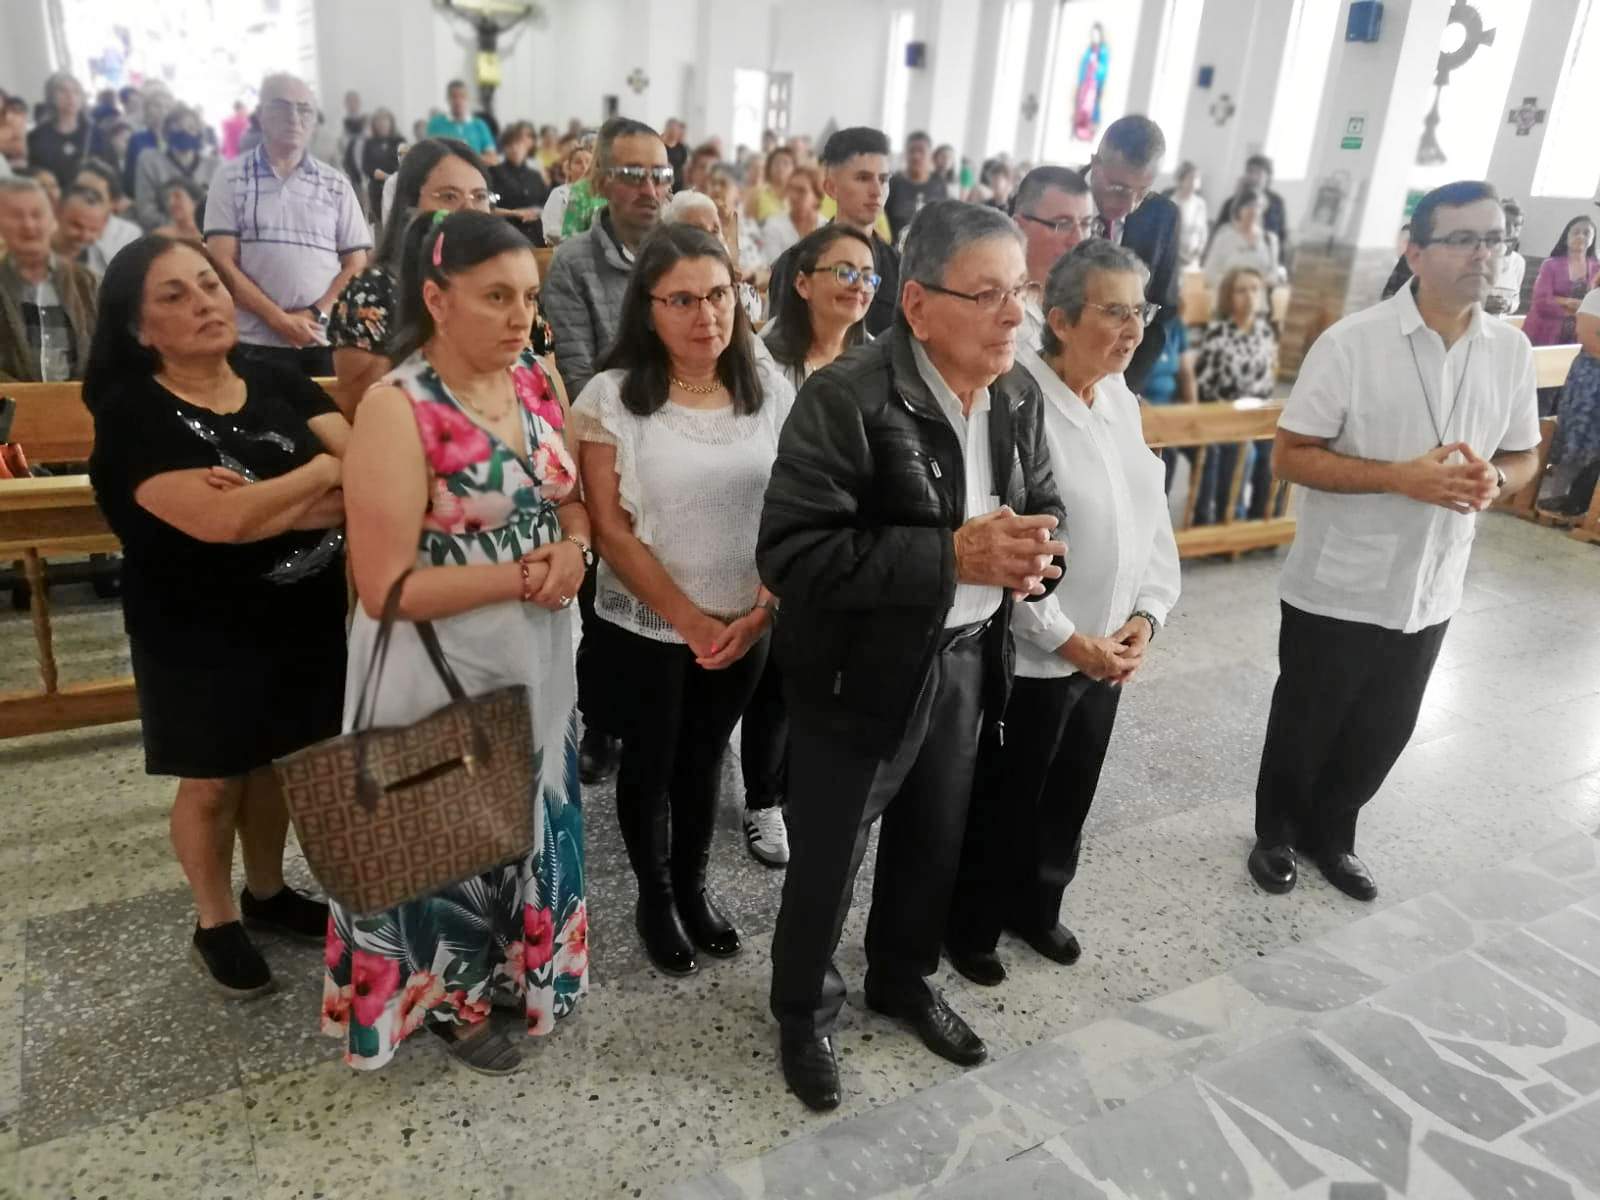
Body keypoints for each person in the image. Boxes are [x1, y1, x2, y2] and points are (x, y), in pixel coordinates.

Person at [760, 200, 1068, 1112]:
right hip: (861, 667)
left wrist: (1042, 563)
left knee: (934, 838)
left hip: (969, 655)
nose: (1016, 316)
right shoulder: (847, 398)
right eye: (989, 296)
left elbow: (1045, 505)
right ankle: (803, 1010)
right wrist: (952, 556)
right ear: (919, 304)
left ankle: (901, 976)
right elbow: (791, 554)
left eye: (1020, 292)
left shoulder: (1014, 392)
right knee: (831, 854)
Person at [325, 209, 589, 1073]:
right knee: (447, 838)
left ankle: (517, 969)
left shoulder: (536, 383)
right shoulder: (397, 409)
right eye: (496, 298)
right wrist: (524, 575)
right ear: (436, 298)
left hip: (536, 649)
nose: (521, 317)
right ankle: (453, 1002)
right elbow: (386, 585)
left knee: (524, 816)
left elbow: (569, 497)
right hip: (437, 659)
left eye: (529, 296)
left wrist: (575, 548)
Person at [1248, 181, 1541, 902]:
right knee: (1309, 720)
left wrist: (1497, 484)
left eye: (1495, 239)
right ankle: (1278, 832)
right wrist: (1398, 479)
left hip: (1432, 584)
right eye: (1465, 239)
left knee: (1385, 727)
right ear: (1415, 249)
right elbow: (1291, 456)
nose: (1485, 253)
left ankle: (1333, 835)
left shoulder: (1509, 349)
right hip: (1341, 583)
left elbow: (1525, 453)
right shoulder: (1353, 342)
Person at [84, 234, 348, 999]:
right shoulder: (133, 413)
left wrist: (290, 491)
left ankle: (267, 894)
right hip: (195, 626)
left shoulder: (277, 374)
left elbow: (358, 472)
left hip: (300, 612)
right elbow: (219, 526)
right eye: (174, 296)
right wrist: (315, 476)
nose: (204, 303)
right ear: (139, 328)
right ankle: (215, 919)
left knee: (277, 764)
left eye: (209, 285)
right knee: (212, 778)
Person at [946, 239, 1179, 986]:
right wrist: (1067, 639)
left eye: (1140, 310)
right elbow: (1008, 541)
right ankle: (973, 924)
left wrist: (1148, 614)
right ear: (1060, 318)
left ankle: (1038, 907)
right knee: (1007, 798)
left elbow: (1151, 519)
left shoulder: (1119, 398)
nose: (1134, 328)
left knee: (1070, 790)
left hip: (1108, 648)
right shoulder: (1018, 401)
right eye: (1114, 312)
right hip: (1040, 651)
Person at [569, 223, 790, 976]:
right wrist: (689, 618)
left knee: (705, 758)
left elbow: (794, 500)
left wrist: (763, 606)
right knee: (653, 763)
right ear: (648, 306)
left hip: (747, 619)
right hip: (650, 626)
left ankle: (694, 888)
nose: (708, 316)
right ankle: (654, 895)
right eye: (684, 300)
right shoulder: (614, 395)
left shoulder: (764, 383)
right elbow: (609, 527)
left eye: (721, 294)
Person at [543, 116, 674, 783]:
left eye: (660, 175)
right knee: (606, 610)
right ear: (600, 182)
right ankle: (601, 723)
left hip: (682, 451)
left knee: (675, 592)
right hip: (606, 454)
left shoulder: (687, 250)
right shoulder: (573, 263)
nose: (649, 189)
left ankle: (659, 717)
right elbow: (580, 377)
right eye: (632, 174)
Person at [203, 72, 371, 378]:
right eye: (282, 107)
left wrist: (315, 314)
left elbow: (356, 263)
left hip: (320, 339)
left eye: (304, 109)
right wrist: (278, 319)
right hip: (253, 341)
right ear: (261, 116)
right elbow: (221, 261)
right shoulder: (229, 178)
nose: (295, 118)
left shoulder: (336, 184)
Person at [328, 138, 494, 416]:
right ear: (410, 206)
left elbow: (544, 390)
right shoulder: (373, 291)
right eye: (449, 197)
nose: (469, 210)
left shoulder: (511, 286)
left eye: (479, 196)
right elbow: (365, 411)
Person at [767, 126, 899, 337]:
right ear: (831, 188)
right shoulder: (794, 264)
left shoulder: (899, 271)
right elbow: (778, 347)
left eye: (883, 180)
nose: (877, 191)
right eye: (863, 178)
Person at [1083, 115, 1181, 392]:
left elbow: (1163, 309)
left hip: (1119, 377)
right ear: (1095, 163)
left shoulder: (1164, 217)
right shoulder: (1053, 197)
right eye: (1119, 189)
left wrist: (1126, 383)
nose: (1129, 204)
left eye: (1143, 192)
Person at [1193, 266, 1279, 525]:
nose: (1249, 296)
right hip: (1222, 413)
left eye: (1255, 289)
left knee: (1275, 448)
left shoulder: (1265, 332)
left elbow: (1266, 383)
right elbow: (1206, 386)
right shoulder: (1218, 333)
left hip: (1256, 413)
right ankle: (1229, 518)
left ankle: (1260, 520)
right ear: (1229, 296)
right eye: (1241, 291)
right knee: (1246, 451)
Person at [0, 177, 98, 381]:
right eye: (16, 216)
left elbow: (112, 352)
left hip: (80, 407)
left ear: (53, 220)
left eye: (37, 214)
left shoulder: (89, 284)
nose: (28, 225)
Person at [1012, 166, 1095, 349]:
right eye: (1062, 224)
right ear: (1020, 227)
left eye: (1086, 224)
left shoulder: (1094, 302)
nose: (1078, 239)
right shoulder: (996, 306)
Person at [1541, 285, 1600, 517]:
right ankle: (1561, 498)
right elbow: (1588, 337)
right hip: (1592, 376)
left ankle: (1588, 507)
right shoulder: (1596, 297)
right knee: (1578, 437)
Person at [134, 106, 221, 232]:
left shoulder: (215, 164)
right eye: (178, 127)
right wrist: (182, 228)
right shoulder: (149, 161)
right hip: (165, 235)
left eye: (191, 128)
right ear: (166, 132)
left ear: (199, 133)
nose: (184, 132)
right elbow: (146, 211)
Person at [1524, 216, 1599, 347]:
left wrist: (1559, 299)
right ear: (1567, 236)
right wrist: (1571, 303)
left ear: (1593, 239)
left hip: (1579, 335)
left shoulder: (1597, 268)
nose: (1581, 236)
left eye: (1586, 233)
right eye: (1576, 232)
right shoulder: (1550, 265)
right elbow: (1541, 301)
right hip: (1543, 331)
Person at [1214, 154, 1289, 268]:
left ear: (1268, 176)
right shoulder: (1231, 202)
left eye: (1259, 173)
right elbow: (1219, 231)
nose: (1254, 177)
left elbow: (1281, 235)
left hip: (1265, 258)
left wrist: (1281, 265)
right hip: (1235, 258)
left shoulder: (1277, 202)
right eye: (1250, 172)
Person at [27, 73, 93, 197]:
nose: (70, 97)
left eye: (76, 91)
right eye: (62, 91)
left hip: (91, 201)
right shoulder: (37, 137)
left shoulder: (96, 134)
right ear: (51, 96)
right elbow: (34, 177)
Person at [74, 159, 144, 270]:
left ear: (113, 202)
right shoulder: (59, 229)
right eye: (78, 192)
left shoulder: (129, 234)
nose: (84, 201)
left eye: (94, 197)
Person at [490, 121, 550, 244]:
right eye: (509, 145)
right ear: (504, 148)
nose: (515, 149)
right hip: (506, 232)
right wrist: (514, 213)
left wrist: (537, 211)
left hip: (536, 232)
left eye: (518, 144)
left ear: (526, 146)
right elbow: (488, 206)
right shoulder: (494, 173)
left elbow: (546, 203)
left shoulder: (535, 175)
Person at [885, 131, 948, 244]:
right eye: (911, 151)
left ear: (930, 155)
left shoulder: (939, 185)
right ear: (905, 154)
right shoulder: (893, 183)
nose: (916, 156)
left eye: (921, 151)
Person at [760, 164, 823, 263]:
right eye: (791, 188)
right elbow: (775, 269)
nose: (793, 196)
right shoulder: (774, 225)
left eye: (801, 190)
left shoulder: (827, 228)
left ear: (817, 197)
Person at [539, 136, 595, 246]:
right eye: (578, 162)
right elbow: (550, 231)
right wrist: (582, 240)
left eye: (588, 162)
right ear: (568, 169)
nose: (584, 167)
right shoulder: (559, 194)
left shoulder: (602, 194)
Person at [424, 80, 497, 160]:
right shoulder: (435, 124)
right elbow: (427, 155)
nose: (458, 101)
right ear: (447, 98)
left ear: (468, 98)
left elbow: (492, 158)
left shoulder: (479, 125)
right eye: (454, 96)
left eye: (462, 96)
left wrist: (468, 159)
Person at [123, 85, 174, 199]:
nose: (163, 111)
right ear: (147, 109)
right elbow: (129, 178)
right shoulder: (137, 139)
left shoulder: (177, 140)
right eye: (157, 106)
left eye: (167, 107)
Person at [52, 186, 111, 274]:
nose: (85, 236)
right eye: (77, 226)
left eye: (93, 229)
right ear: (58, 213)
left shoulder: (105, 264)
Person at [360, 108, 405, 220]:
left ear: (391, 122)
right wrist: (384, 176)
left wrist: (392, 178)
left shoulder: (400, 141)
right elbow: (366, 167)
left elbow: (406, 163)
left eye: (385, 120)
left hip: (397, 191)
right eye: (378, 121)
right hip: (376, 193)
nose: (382, 124)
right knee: (380, 230)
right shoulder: (369, 143)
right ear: (374, 124)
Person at [1487, 199, 1526, 316]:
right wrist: (1483, 303)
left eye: (1516, 225)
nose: (1511, 231)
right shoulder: (1480, 255)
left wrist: (1507, 305)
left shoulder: (1518, 262)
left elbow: (1515, 300)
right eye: (1506, 224)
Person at [1166, 160, 1208, 269]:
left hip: (1193, 258)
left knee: (1194, 284)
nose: (1194, 181)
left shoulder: (1200, 203)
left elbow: (1203, 231)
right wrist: (1180, 255)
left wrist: (1199, 249)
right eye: (1191, 177)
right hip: (1175, 258)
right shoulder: (1172, 202)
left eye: (1197, 178)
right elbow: (1169, 234)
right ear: (1181, 179)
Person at [151, 177, 206, 242]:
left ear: (195, 201)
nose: (171, 203)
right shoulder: (161, 236)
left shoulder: (210, 235)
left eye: (178, 196)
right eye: (167, 198)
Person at [753, 145, 796, 223]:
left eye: (786, 163)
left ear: (794, 168)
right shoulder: (758, 194)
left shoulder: (799, 195)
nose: (780, 167)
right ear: (769, 167)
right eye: (776, 163)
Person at [663, 117, 689, 189]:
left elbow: (684, 167)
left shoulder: (682, 148)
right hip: (663, 183)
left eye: (676, 129)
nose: (675, 132)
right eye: (672, 129)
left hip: (678, 183)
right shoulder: (660, 146)